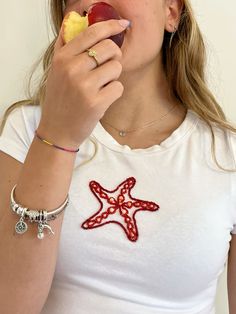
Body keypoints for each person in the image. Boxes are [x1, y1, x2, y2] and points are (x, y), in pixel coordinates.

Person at [0, 0, 235, 313]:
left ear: (171, 12)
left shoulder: (227, 157)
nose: (97, 2)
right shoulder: (28, 130)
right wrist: (58, 137)